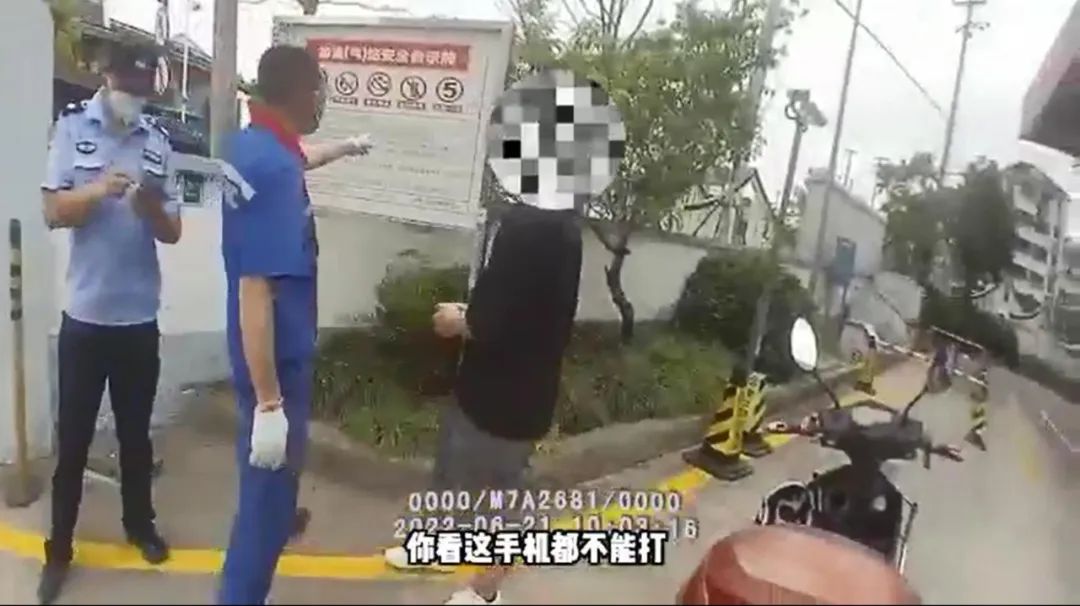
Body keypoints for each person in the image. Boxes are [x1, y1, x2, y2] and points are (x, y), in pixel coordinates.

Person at [217, 45, 370, 605]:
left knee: (270, 497)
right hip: (275, 366)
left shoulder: (252, 146)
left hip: (263, 354)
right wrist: (270, 404)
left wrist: (347, 147)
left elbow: (301, 158)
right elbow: (255, 289)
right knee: (264, 509)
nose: (322, 100)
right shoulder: (274, 169)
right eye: (320, 90)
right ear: (302, 94)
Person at [37, 41, 181, 605]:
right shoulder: (73, 128)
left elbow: (172, 231)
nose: (135, 98)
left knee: (135, 436)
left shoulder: (158, 140)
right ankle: (59, 549)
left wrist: (151, 208)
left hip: (138, 319)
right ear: (108, 77)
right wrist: (98, 190)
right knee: (73, 442)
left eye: (144, 90)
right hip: (86, 320)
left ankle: (139, 525)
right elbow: (53, 211)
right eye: (129, 86)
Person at [383, 202, 583, 605]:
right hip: (496, 387)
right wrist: (471, 315)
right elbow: (521, 308)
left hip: (507, 396)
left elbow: (494, 321)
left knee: (502, 501)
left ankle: (485, 592)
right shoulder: (562, 227)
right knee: (452, 472)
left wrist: (458, 320)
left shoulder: (532, 227)